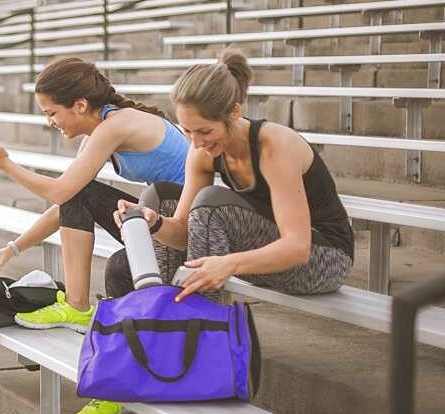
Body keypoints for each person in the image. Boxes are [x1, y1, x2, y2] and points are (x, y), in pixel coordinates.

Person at [0, 57, 189, 414]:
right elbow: (67, 200)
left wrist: (6, 165)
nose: (50, 122)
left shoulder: (114, 126)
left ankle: (82, 316)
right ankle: (80, 313)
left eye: (52, 112)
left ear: (79, 105)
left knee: (120, 265)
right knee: (87, 207)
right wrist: (12, 249)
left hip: (184, 230)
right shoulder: (102, 127)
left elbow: (63, 189)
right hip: (159, 220)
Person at [106, 48, 354, 331]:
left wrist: (229, 264)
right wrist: (155, 222)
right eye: (187, 131)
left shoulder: (275, 146)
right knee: (159, 198)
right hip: (265, 252)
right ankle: (164, 329)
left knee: (211, 205)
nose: (196, 142)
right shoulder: (202, 152)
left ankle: (199, 334)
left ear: (234, 112)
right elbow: (185, 233)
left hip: (324, 260)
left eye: (205, 131)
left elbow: (297, 248)